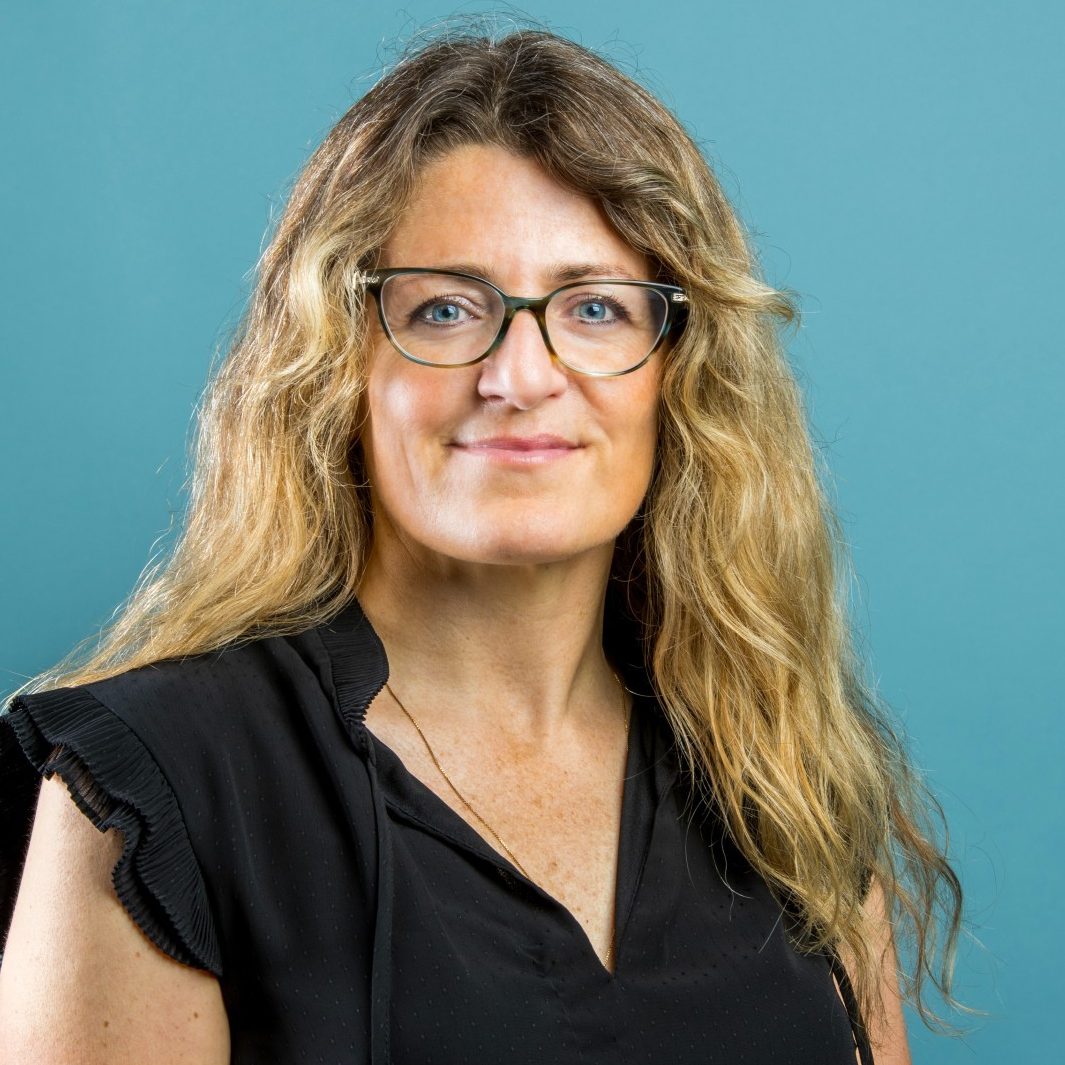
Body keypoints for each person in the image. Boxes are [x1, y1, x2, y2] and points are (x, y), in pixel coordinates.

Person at [0, 21, 967, 1065]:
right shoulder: (156, 789)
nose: (520, 376)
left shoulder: (781, 778)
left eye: (594, 308)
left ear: (680, 370)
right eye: (448, 309)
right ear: (335, 361)